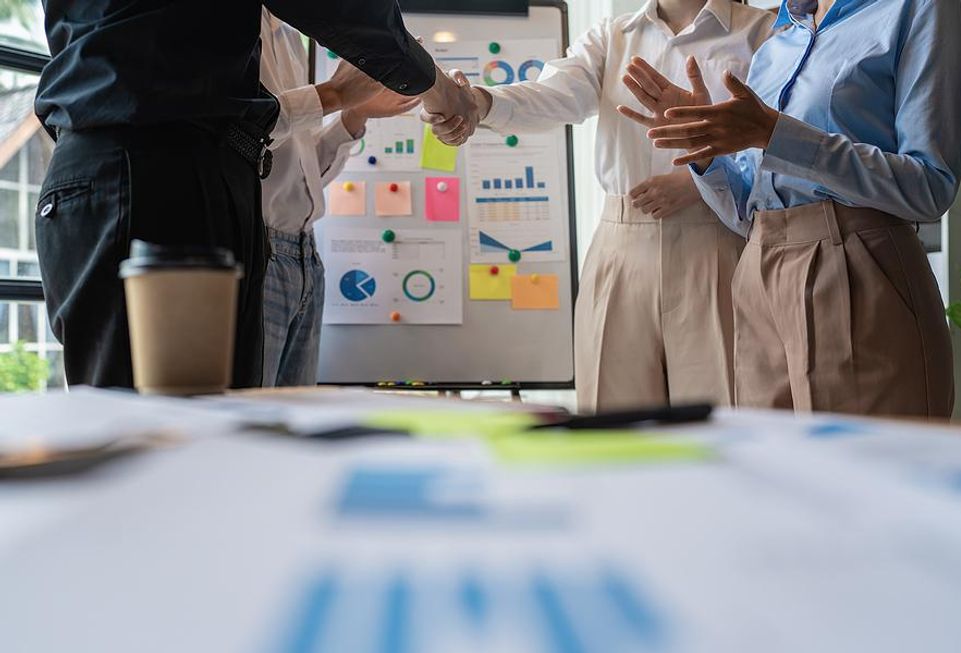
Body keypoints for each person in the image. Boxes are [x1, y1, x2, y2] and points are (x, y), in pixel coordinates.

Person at [34, 1, 477, 389]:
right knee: (164, 438)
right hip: (152, 176)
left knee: (216, 430)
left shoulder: (239, 30)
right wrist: (434, 88)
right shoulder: (226, 37)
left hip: (162, 175)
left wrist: (359, 104)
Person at [622, 0, 961, 417]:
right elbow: (745, 212)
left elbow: (930, 185)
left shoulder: (921, 8)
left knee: (859, 473)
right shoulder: (780, 37)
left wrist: (775, 134)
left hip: (859, 268)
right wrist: (701, 145)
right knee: (776, 472)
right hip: (758, 271)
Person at [429, 0, 773, 412]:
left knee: (722, 408)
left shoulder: (762, 32)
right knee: (612, 409)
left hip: (719, 237)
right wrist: (480, 102)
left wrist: (699, 180)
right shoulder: (612, 36)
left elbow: (778, 138)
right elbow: (552, 95)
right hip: (621, 243)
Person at [258, 10, 420, 387]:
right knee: (248, 423)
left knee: (292, 430)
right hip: (257, 251)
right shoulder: (220, 22)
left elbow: (298, 174)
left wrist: (353, 114)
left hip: (304, 257)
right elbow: (241, 130)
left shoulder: (286, 30)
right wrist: (332, 95)